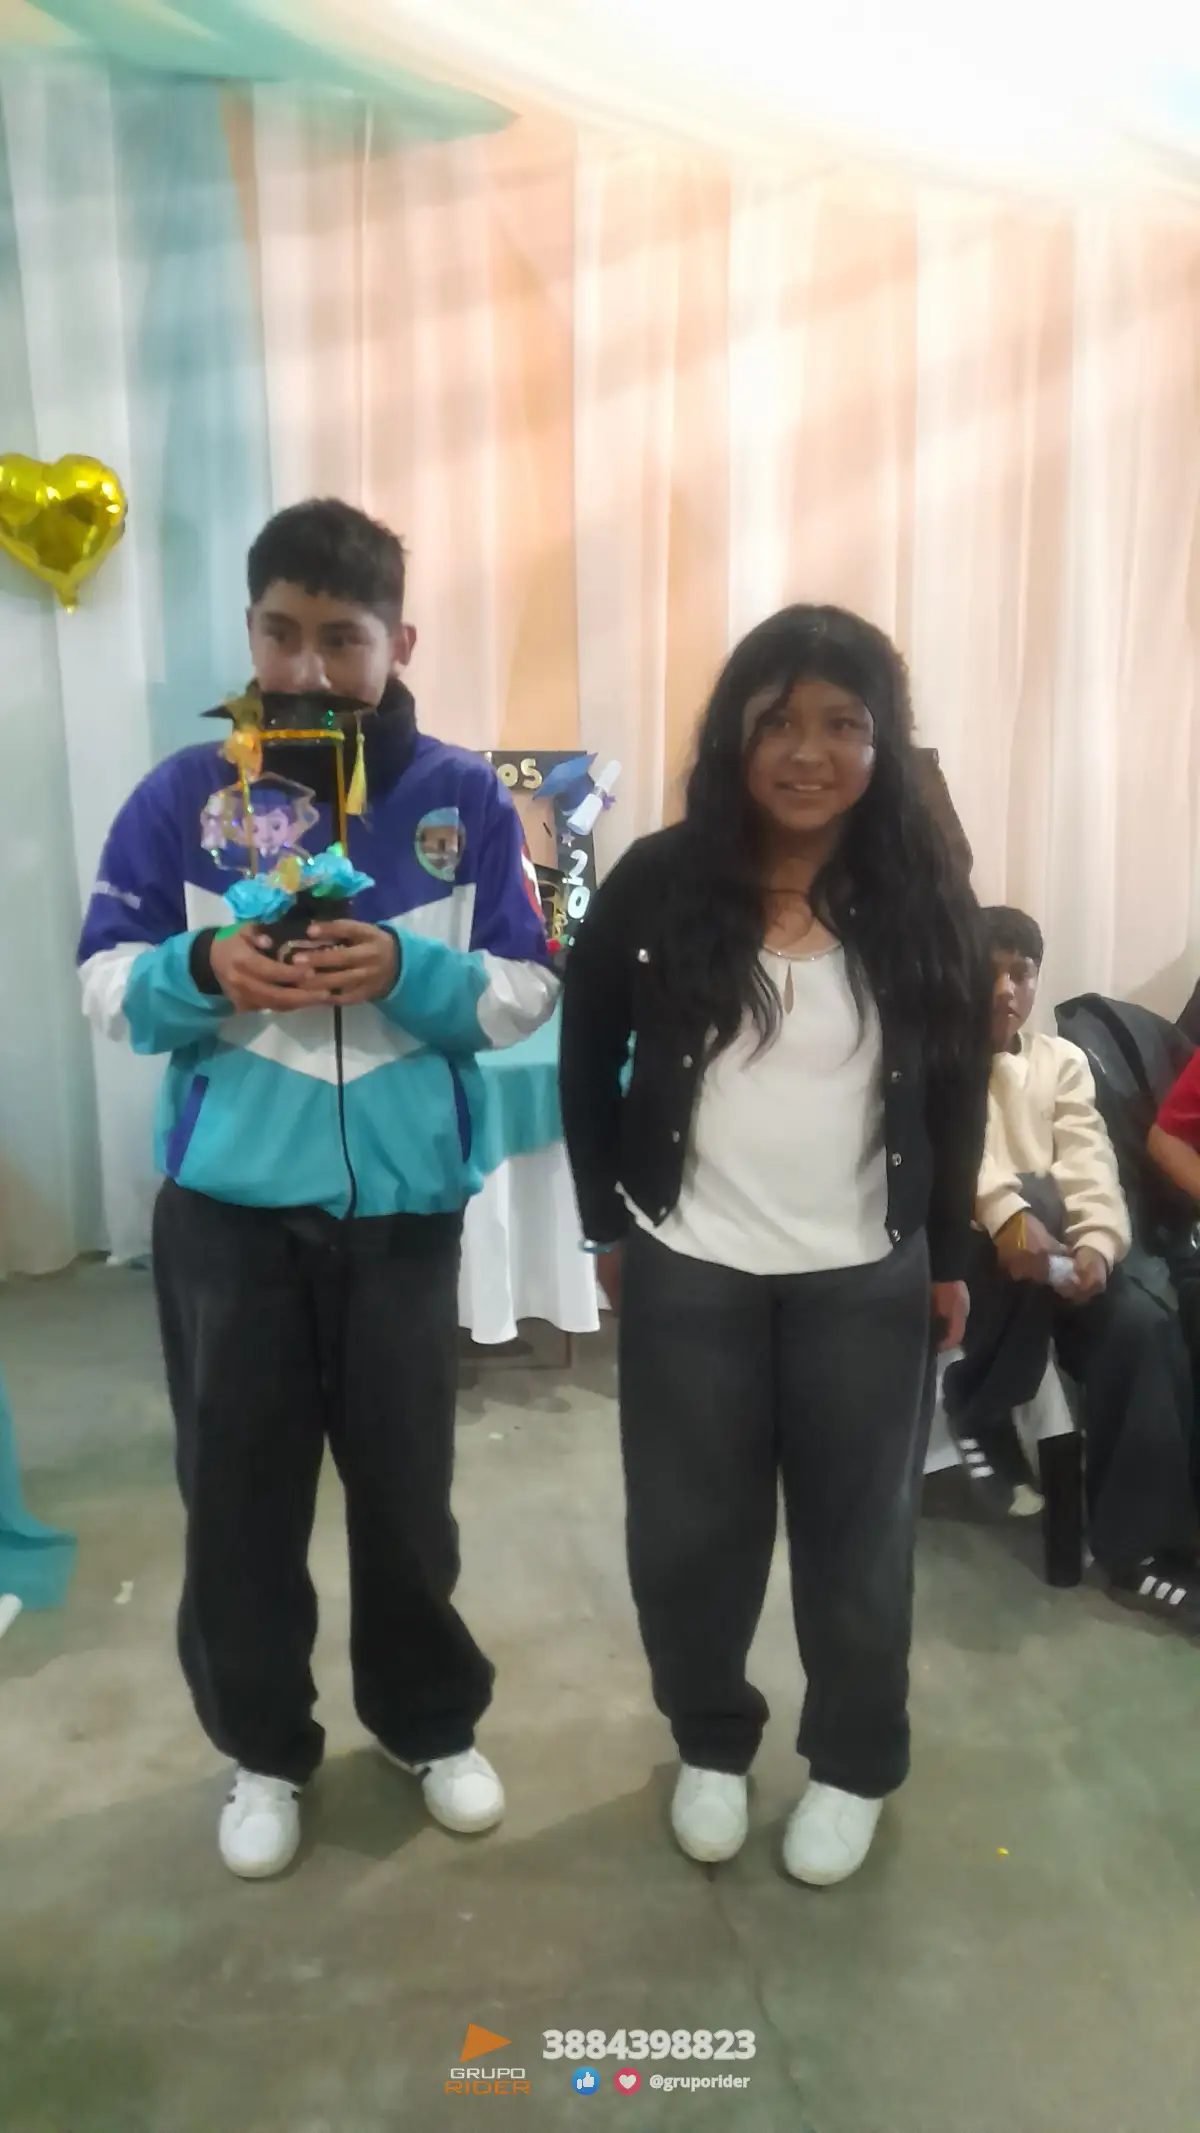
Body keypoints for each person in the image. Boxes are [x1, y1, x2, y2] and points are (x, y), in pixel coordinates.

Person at [77, 499, 558, 1879]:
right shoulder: (184, 797)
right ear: (249, 632)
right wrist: (199, 970)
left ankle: (427, 1723)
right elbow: (103, 979)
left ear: (400, 642)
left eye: (342, 637)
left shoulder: (465, 801)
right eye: (282, 633)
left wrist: (412, 973)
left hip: (404, 1218)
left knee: (407, 1498)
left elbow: (526, 987)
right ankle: (263, 1750)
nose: (308, 667)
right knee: (239, 1500)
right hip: (227, 1221)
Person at [560, 604, 990, 1887]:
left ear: (882, 742)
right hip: (692, 1264)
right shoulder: (661, 878)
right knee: (689, 1537)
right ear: (734, 737)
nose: (809, 753)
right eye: (779, 723)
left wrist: (950, 1255)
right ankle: (711, 1743)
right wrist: (606, 1220)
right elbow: (586, 1054)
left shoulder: (921, 890)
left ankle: (852, 1764)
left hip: (864, 1273)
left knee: (861, 1545)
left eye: (843, 724)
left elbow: (959, 1085)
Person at [945, 908, 1199, 1623]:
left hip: (1058, 1253)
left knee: (1143, 1324)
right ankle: (981, 1405)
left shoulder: (1061, 1061)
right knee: (1027, 1203)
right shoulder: (938, 1059)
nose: (1005, 989)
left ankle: (1139, 1554)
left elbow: (1090, 1160)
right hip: (979, 1252)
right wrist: (1012, 1217)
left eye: (1020, 973)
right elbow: (962, 1160)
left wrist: (1098, 1245)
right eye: (990, 972)